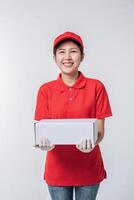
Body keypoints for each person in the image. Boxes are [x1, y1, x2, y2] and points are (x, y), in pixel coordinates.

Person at [34, 31, 112, 200]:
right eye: (61, 52)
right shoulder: (45, 90)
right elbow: (42, 130)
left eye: (73, 51)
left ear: (82, 56)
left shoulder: (96, 87)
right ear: (55, 57)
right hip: (57, 170)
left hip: (89, 168)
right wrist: (43, 143)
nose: (67, 57)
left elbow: (100, 131)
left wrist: (94, 141)